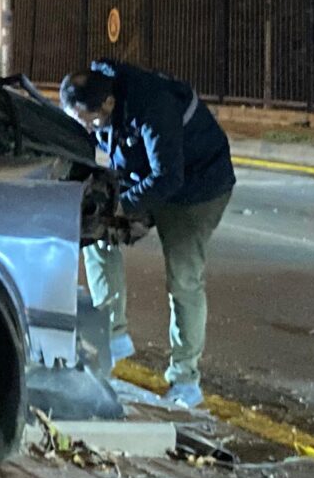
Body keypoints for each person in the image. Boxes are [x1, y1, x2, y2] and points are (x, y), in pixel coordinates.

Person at [59, 59, 236, 408]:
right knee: (96, 237)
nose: (88, 127)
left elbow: (168, 177)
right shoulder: (96, 93)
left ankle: (186, 380)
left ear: (108, 105)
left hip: (198, 189)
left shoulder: (153, 106)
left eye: (90, 121)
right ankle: (114, 334)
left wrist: (123, 204)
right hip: (144, 174)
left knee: (184, 280)